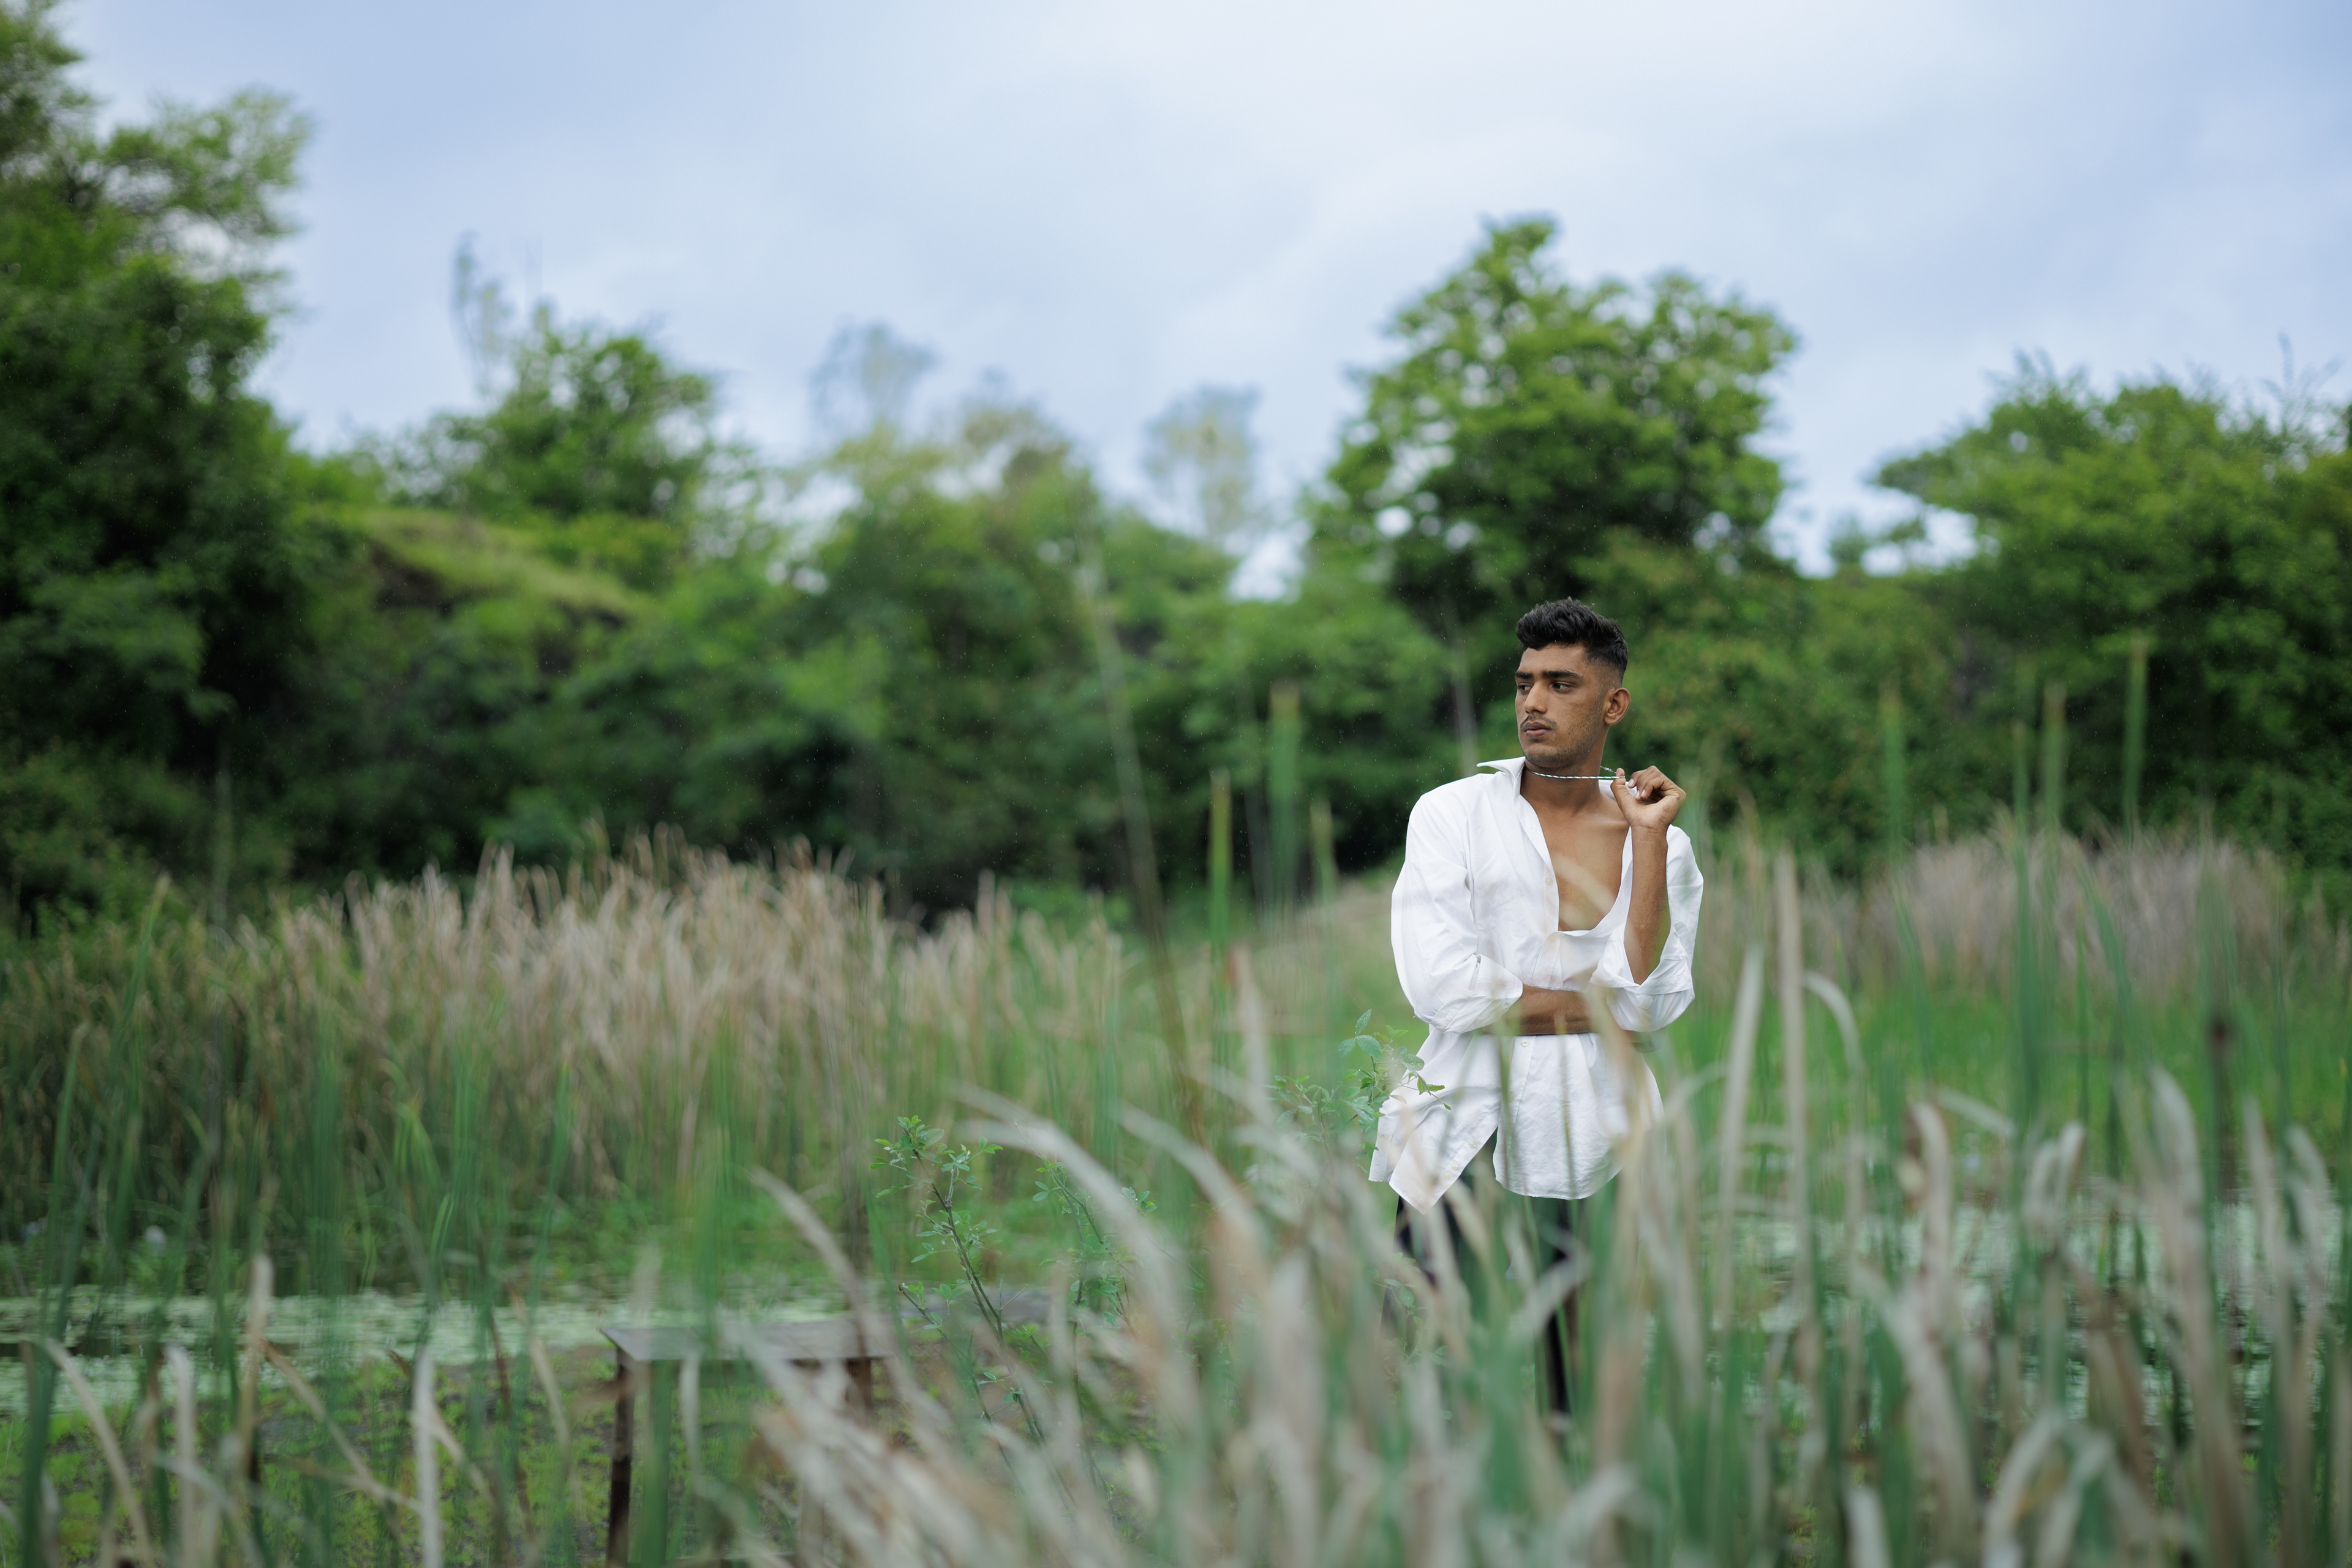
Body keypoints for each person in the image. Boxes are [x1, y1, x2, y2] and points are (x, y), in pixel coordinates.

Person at [1371, 597, 1702, 1412]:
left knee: (1575, 1387)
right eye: (1525, 683)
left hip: (1598, 1140)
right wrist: (1601, 1006)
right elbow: (1444, 989)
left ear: (1613, 705)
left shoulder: (1663, 844)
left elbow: (1652, 1005)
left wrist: (1648, 841)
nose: (1534, 703)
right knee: (1410, 1368)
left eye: (1561, 684)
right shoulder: (1452, 814)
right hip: (1459, 1127)